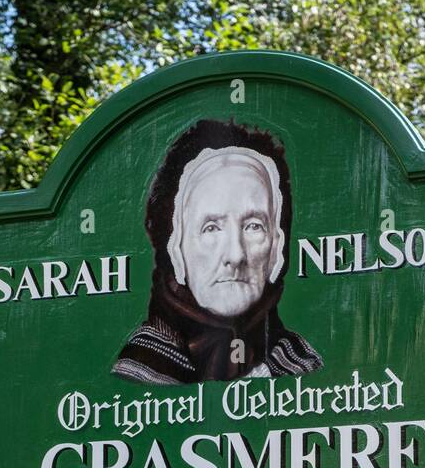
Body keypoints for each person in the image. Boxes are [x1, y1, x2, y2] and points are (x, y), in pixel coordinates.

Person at [112, 119, 323, 385]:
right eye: (211, 228)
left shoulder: (300, 363)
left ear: (277, 248)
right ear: (177, 249)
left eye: (254, 226)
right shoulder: (140, 367)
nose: (235, 256)